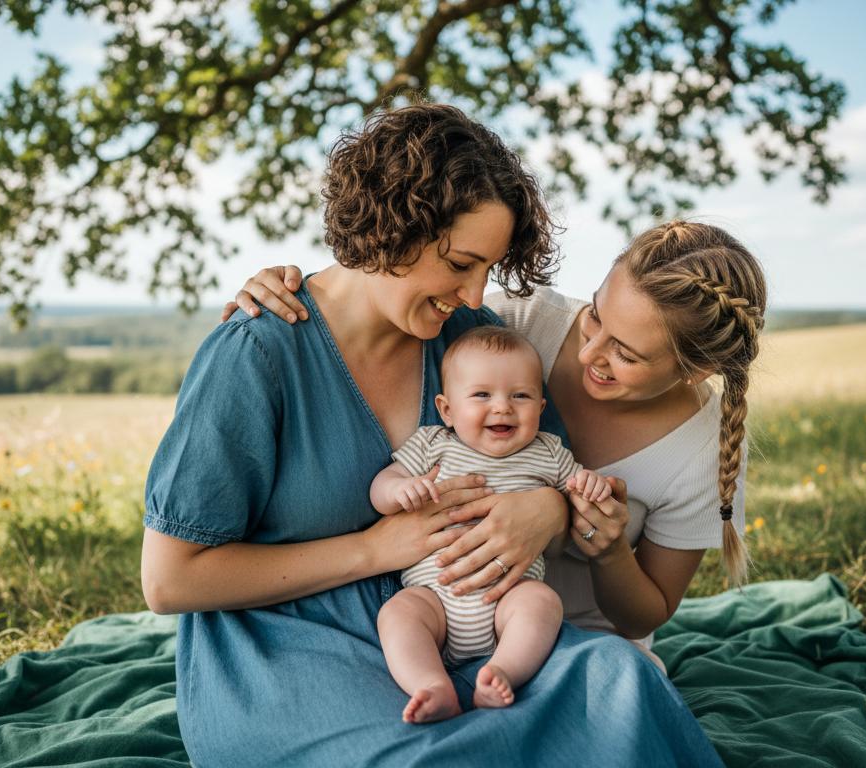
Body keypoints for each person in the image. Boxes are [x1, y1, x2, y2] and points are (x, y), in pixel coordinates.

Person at [141, 103, 723, 767]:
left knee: (624, 686)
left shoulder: (461, 340)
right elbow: (168, 582)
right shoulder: (257, 353)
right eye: (459, 263)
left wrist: (549, 507)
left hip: (465, 632)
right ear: (395, 226)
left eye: (489, 269)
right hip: (282, 655)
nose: (476, 290)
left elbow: (543, 465)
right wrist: (372, 550)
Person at [221, 219, 766, 660]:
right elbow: (387, 308)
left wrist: (609, 554)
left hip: (580, 639)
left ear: (697, 370)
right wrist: (300, 294)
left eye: (625, 354)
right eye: (594, 316)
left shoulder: (700, 451)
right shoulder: (517, 324)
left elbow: (647, 612)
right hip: (443, 611)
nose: (588, 353)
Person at [373, 325, 614, 723]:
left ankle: (503, 670)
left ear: (540, 407)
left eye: (520, 395)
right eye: (482, 395)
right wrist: (399, 491)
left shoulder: (549, 452)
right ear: (447, 409)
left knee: (542, 602)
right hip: (435, 597)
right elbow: (382, 485)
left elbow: (577, 495)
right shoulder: (433, 443)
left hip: (508, 597)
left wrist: (589, 485)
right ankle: (431, 683)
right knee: (397, 614)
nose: (502, 407)